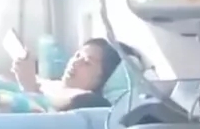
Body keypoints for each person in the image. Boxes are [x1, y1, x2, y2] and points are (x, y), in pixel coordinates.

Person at [12, 37, 140, 111]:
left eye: (87, 62)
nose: (75, 62)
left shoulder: (88, 101)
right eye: (77, 55)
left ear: (103, 77)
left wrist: (29, 86)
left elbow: (43, 122)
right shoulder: (53, 85)